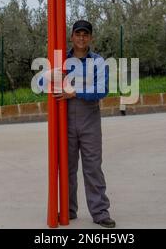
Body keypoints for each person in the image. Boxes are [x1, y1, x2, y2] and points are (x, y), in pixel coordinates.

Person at [40, 20, 115, 228]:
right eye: (78, 34)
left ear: (90, 38)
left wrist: (75, 92)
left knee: (92, 168)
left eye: (85, 34)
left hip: (90, 121)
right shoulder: (61, 60)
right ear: (71, 36)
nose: (81, 38)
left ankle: (100, 212)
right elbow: (39, 85)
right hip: (66, 123)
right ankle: (68, 210)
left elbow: (102, 90)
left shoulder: (98, 62)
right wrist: (48, 75)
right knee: (67, 168)